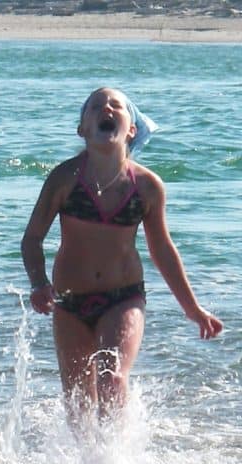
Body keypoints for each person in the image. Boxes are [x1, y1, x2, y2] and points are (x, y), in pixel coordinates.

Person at [21, 87, 223, 437]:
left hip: (124, 298)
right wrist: (38, 283)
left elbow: (162, 250)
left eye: (116, 105)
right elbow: (32, 239)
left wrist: (192, 309)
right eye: (97, 106)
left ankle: (119, 463)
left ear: (131, 129)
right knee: (78, 406)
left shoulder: (147, 186)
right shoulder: (65, 179)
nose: (107, 108)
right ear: (82, 129)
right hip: (69, 303)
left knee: (112, 378)